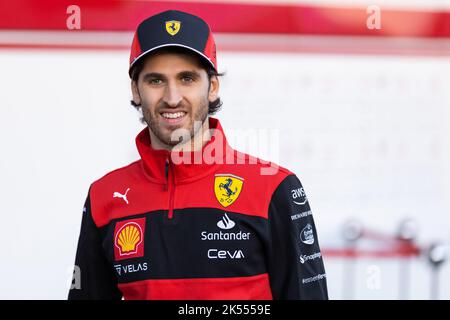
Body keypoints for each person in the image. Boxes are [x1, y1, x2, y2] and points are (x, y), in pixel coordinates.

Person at [68, 9, 328, 300]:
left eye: (187, 78)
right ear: (136, 90)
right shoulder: (104, 195)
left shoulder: (275, 189)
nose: (172, 97)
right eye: (155, 81)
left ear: (213, 87)